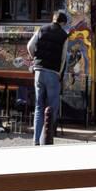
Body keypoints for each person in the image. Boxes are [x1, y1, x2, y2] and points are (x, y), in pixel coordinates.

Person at [27, 10, 68, 145]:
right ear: (62, 22)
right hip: (52, 73)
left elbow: (30, 46)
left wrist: (35, 59)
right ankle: (46, 138)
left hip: (38, 71)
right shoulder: (63, 35)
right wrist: (59, 73)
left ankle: (35, 140)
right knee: (52, 107)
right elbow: (63, 58)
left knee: (39, 106)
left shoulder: (42, 29)